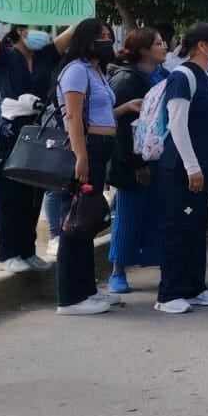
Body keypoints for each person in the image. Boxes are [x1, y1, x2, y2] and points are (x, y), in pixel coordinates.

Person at [0, 0, 82, 273]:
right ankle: (6, 254)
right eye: (32, 29)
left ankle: (27, 250)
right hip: (9, 131)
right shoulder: (3, 55)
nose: (39, 33)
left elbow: (75, 30)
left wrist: (89, 2)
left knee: (33, 190)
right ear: (17, 32)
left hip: (38, 130)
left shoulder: (46, 56)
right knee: (8, 194)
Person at [53, 19, 128, 316]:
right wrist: (80, 156)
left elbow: (102, 112)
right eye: (101, 36)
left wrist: (125, 108)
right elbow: (72, 116)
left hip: (99, 149)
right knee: (74, 224)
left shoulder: (95, 71)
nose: (107, 41)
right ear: (85, 39)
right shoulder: (75, 71)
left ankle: (87, 290)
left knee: (87, 222)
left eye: (109, 36)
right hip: (86, 151)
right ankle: (70, 298)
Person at [152, 23, 208, 314]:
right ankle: (169, 293)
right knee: (177, 228)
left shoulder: (206, 76)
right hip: (183, 166)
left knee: (196, 228)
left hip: (203, 164)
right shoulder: (182, 77)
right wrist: (192, 167)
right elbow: (178, 125)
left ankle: (194, 287)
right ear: (202, 46)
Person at [105, 28, 169, 295]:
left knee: (158, 216)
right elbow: (120, 129)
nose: (165, 46)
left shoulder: (163, 76)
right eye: (158, 42)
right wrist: (136, 164)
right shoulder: (126, 81)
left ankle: (159, 264)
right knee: (128, 217)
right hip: (131, 163)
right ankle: (117, 272)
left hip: (159, 159)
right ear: (143, 50)